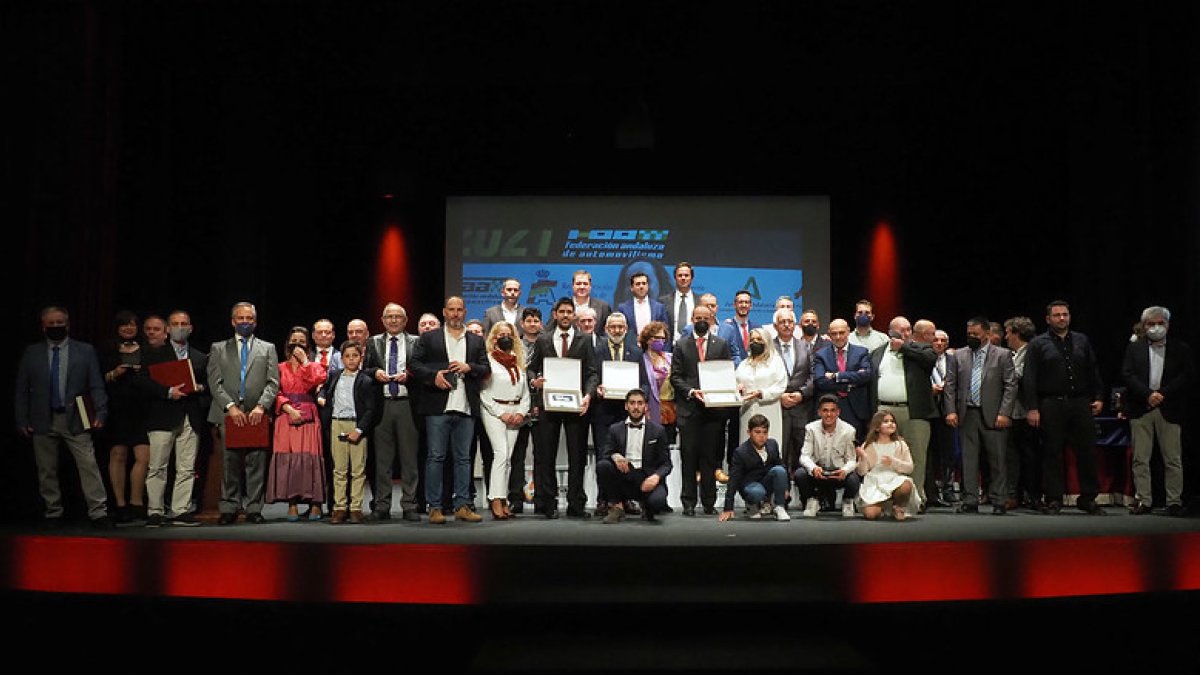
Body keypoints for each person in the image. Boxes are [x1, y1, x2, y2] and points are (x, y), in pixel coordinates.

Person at [15, 306, 113, 528]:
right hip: (42, 417)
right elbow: (22, 388)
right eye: (51, 324)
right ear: (43, 326)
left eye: (60, 323)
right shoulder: (32, 352)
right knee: (46, 469)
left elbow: (96, 384)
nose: (56, 327)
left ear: (68, 325)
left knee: (88, 464)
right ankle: (53, 512)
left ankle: (99, 512)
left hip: (75, 417)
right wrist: (21, 419)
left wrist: (101, 411)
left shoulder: (84, 351)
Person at [411, 296, 490, 524]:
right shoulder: (429, 338)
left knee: (464, 458)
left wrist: (469, 367)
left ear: (465, 312)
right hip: (438, 406)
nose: (455, 314)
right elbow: (415, 364)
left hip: (465, 406)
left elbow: (485, 367)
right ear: (444, 312)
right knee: (436, 457)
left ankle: (462, 505)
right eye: (451, 310)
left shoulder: (475, 341)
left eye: (459, 310)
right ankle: (434, 506)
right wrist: (433, 376)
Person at [1023, 300, 1106, 515]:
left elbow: (1093, 370)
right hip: (1051, 403)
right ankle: (1054, 498)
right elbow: (1029, 378)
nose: (1062, 318)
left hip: (1080, 402)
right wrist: (1033, 408)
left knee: (1087, 451)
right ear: (1048, 319)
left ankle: (1088, 497)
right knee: (1052, 452)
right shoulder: (1038, 344)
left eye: (1065, 314)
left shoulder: (1081, 340)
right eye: (1057, 315)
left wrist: (1098, 396)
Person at [134, 309, 209, 527]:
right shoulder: (154, 353)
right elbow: (142, 382)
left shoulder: (199, 356)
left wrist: (199, 387)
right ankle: (155, 511)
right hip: (162, 415)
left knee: (186, 467)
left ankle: (180, 510)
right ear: (168, 329)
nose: (180, 327)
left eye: (184, 323)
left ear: (191, 328)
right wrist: (167, 392)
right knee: (157, 465)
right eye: (175, 324)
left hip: (190, 416)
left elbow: (209, 387)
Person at [208, 302, 280, 525]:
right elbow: (214, 381)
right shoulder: (218, 348)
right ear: (233, 321)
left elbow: (273, 382)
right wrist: (230, 406)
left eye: (249, 318)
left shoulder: (267, 348)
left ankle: (254, 508)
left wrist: (261, 406)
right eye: (241, 318)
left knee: (256, 462)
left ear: (255, 322)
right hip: (229, 414)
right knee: (230, 463)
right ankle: (229, 507)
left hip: (256, 414)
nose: (245, 322)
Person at [528, 297, 600, 518]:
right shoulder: (543, 339)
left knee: (577, 457)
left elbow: (592, 373)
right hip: (549, 404)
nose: (566, 315)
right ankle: (546, 504)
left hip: (576, 405)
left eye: (570, 312)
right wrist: (534, 381)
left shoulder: (585, 339)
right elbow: (531, 369)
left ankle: (576, 504)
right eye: (562, 312)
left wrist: (588, 395)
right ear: (555, 314)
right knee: (545, 455)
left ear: (574, 315)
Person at [1122, 306, 1195, 516]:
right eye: (1151, 324)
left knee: (1173, 458)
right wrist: (1147, 394)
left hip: (1169, 408)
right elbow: (1127, 374)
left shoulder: (1180, 348)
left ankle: (1174, 501)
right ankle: (1144, 499)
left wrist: (1162, 393)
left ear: (1168, 325)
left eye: (1160, 323)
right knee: (1140, 458)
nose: (1156, 328)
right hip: (1141, 407)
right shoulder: (1134, 348)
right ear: (1144, 326)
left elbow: (1186, 376)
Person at [943, 317, 1017, 515]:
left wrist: (1004, 413)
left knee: (997, 459)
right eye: (969, 334)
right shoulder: (959, 355)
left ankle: (999, 501)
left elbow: (1010, 385)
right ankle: (969, 500)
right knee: (968, 460)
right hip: (967, 413)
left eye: (975, 334)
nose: (972, 337)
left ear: (986, 334)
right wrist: (950, 410)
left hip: (994, 415)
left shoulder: (1002, 355)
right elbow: (950, 385)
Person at [669, 304, 733, 516]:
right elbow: (675, 376)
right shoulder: (681, 344)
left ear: (712, 318)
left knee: (710, 459)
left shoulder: (721, 344)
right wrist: (691, 392)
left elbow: (725, 374)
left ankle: (708, 503)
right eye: (698, 317)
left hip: (713, 411)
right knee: (689, 457)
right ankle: (688, 503)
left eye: (706, 317)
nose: (702, 320)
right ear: (692, 319)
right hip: (689, 410)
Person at [868, 316, 937, 507]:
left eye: (908, 330)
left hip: (913, 411)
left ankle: (915, 500)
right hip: (884, 410)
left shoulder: (921, 349)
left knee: (916, 456)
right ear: (891, 332)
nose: (906, 334)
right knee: (886, 456)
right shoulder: (877, 353)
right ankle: (889, 499)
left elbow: (931, 360)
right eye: (901, 331)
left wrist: (904, 347)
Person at [363, 302, 422, 521]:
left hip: (407, 403)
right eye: (390, 316)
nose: (394, 320)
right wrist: (375, 371)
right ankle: (381, 505)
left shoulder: (416, 342)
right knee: (382, 460)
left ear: (406, 321)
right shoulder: (373, 342)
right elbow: (365, 371)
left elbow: (422, 369)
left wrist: (410, 375)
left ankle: (409, 505)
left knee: (409, 459)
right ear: (383, 320)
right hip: (382, 405)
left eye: (398, 316)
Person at [267, 326, 328, 521]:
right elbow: (273, 392)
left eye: (302, 341)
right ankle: (292, 503)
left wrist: (305, 361)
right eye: (294, 341)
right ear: (287, 344)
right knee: (290, 461)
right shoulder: (279, 367)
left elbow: (320, 378)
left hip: (309, 417)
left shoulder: (312, 365)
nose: (298, 344)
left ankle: (316, 504)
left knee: (311, 460)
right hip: (286, 416)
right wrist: (288, 409)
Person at [592, 311, 648, 516]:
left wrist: (640, 398)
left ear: (626, 329)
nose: (616, 330)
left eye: (620, 327)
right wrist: (595, 388)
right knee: (603, 458)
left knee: (627, 458)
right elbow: (591, 377)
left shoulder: (635, 352)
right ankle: (603, 500)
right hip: (603, 412)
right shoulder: (596, 351)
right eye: (613, 327)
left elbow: (643, 382)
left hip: (627, 415)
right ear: (606, 329)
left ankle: (625, 500)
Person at [99, 310, 151, 522]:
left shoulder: (147, 349)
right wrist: (114, 373)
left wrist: (142, 371)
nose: (129, 328)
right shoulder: (106, 349)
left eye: (132, 324)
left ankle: (136, 502)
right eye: (124, 325)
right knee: (118, 455)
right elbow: (96, 378)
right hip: (117, 407)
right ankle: (120, 504)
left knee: (143, 457)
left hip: (142, 407)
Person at [319, 341, 377, 524]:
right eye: (347, 356)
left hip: (356, 425)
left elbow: (370, 409)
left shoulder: (366, 380)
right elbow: (324, 390)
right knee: (339, 469)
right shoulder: (335, 376)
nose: (351, 359)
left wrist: (360, 430)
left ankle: (356, 508)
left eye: (355, 356)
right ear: (341, 358)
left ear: (360, 358)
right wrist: (321, 397)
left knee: (358, 470)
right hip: (337, 423)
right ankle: (339, 507)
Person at [479, 321, 531, 520]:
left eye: (508, 334)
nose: (505, 337)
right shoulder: (488, 361)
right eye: (501, 334)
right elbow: (483, 392)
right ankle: (495, 498)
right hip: (494, 411)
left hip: (515, 411)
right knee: (500, 453)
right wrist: (500, 412)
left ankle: (504, 499)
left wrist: (521, 412)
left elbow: (524, 392)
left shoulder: (518, 360)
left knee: (508, 458)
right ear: (494, 338)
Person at [598, 389, 672, 523]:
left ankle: (647, 507)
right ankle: (617, 507)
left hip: (647, 478)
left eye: (640, 403)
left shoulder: (658, 431)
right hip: (624, 476)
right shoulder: (615, 429)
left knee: (657, 501)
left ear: (646, 406)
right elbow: (605, 454)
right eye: (632, 403)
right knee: (603, 466)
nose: (636, 407)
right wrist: (615, 456)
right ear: (626, 406)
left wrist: (656, 477)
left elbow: (666, 464)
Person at [795, 395, 861, 518]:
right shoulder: (811, 428)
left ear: (838, 412)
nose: (828, 414)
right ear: (819, 412)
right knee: (800, 474)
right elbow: (804, 456)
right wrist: (813, 468)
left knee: (854, 479)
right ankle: (812, 500)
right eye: (825, 410)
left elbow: (852, 460)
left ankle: (847, 501)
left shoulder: (849, 430)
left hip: (838, 472)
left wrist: (844, 471)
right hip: (819, 472)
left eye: (832, 410)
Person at [506, 306, 544, 513]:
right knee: (517, 456)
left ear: (541, 323)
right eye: (528, 321)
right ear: (522, 324)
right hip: (518, 405)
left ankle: (540, 500)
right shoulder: (513, 345)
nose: (532, 324)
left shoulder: (547, 343)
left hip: (541, 406)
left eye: (536, 321)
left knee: (541, 455)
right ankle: (516, 499)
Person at [719, 414, 790, 522]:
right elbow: (734, 479)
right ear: (749, 433)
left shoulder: (772, 444)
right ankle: (751, 505)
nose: (762, 436)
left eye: (764, 432)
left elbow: (780, 464)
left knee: (779, 470)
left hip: (766, 482)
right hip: (750, 486)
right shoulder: (741, 452)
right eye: (757, 432)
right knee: (757, 492)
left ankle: (779, 507)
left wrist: (786, 487)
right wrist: (728, 507)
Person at [813, 319, 872, 442]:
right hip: (831, 407)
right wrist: (850, 382)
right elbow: (820, 381)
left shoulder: (861, 352)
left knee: (854, 446)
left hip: (856, 409)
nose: (838, 337)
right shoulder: (821, 355)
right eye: (834, 334)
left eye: (841, 332)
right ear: (829, 334)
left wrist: (836, 376)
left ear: (848, 331)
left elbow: (866, 376)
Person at [1003, 316, 1040, 510]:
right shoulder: (1012, 353)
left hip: (1028, 412)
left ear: (1017, 333)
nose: (1006, 336)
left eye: (1008, 332)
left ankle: (1033, 496)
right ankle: (1013, 495)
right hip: (1013, 413)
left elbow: (1021, 378)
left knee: (1030, 456)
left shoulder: (1032, 352)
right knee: (1012, 456)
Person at [855, 410, 921, 520]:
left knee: (905, 485)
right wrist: (863, 457)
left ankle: (898, 506)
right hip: (875, 481)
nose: (890, 424)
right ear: (877, 427)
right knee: (870, 515)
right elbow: (862, 472)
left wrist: (894, 462)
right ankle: (883, 505)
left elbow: (909, 468)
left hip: (893, 479)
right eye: (886, 421)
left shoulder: (900, 444)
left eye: (892, 421)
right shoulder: (869, 445)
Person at [773, 307, 815, 477]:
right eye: (782, 322)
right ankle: (782, 493)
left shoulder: (805, 346)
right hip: (777, 407)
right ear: (775, 326)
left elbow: (813, 375)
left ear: (795, 325)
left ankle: (805, 495)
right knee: (779, 451)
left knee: (802, 452)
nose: (786, 325)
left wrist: (802, 394)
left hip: (801, 407)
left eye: (789, 321)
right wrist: (779, 395)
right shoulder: (769, 347)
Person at [735, 328, 787, 446]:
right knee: (747, 448)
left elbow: (780, 386)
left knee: (769, 446)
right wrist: (739, 389)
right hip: (747, 411)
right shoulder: (744, 364)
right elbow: (735, 383)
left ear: (766, 341)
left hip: (768, 409)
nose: (755, 342)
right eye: (752, 340)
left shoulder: (775, 362)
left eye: (759, 339)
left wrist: (760, 393)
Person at [927, 329, 957, 507]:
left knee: (949, 452)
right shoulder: (925, 358)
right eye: (936, 340)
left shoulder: (954, 359)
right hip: (929, 411)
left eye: (942, 340)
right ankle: (931, 491)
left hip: (948, 410)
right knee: (931, 453)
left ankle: (948, 489)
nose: (939, 343)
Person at [616, 271, 669, 339]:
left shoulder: (659, 307)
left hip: (654, 347)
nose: (641, 286)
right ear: (632, 288)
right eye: (638, 284)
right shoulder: (623, 308)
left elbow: (665, 331)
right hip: (630, 348)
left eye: (644, 283)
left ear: (647, 286)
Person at [660, 261, 696, 343]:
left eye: (686, 275)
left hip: (693, 347)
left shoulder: (699, 301)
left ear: (692, 278)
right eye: (680, 275)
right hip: (671, 348)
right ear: (675, 278)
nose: (683, 278)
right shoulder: (663, 301)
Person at [570, 269, 612, 335]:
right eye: (578, 284)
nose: (582, 287)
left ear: (590, 287)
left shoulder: (603, 307)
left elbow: (608, 332)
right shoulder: (563, 307)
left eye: (585, 284)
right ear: (573, 286)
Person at [723, 289, 760, 356]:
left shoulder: (758, 328)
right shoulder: (727, 328)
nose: (743, 305)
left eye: (746, 302)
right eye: (740, 302)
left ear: (751, 306)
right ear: (734, 304)